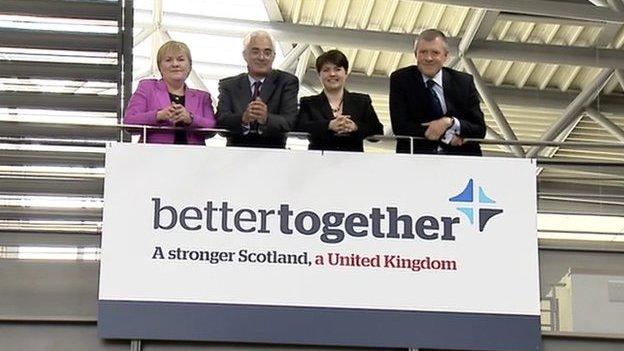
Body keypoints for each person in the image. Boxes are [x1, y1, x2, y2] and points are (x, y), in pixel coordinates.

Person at [389, 29, 486, 156]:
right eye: (423, 52)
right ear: (415, 54)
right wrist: (447, 137)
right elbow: (400, 126)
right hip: (417, 161)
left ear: (446, 56)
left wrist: (449, 122)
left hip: (461, 162)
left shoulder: (463, 82)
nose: (428, 58)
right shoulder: (401, 79)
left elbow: (479, 129)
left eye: (435, 52)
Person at [216, 30, 299, 148]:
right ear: (245, 55)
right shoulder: (229, 86)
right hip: (235, 156)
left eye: (267, 52)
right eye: (255, 52)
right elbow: (220, 121)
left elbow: (291, 121)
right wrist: (243, 119)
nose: (261, 57)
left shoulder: (287, 82)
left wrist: (266, 118)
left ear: (273, 56)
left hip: (274, 155)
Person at [124, 41, 216, 144]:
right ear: (160, 67)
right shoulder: (146, 88)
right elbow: (129, 122)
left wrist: (190, 118)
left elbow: (212, 127)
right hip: (154, 156)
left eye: (180, 60)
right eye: (168, 60)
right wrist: (159, 115)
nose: (175, 64)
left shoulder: (202, 97)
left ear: (189, 66)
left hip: (194, 157)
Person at [297, 50, 383, 152]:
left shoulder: (362, 102)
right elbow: (299, 129)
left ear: (346, 73)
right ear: (319, 75)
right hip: (318, 161)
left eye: (337, 69)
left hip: (353, 162)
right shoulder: (308, 103)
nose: (332, 74)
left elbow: (378, 132)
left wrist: (355, 127)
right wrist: (329, 125)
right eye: (326, 70)